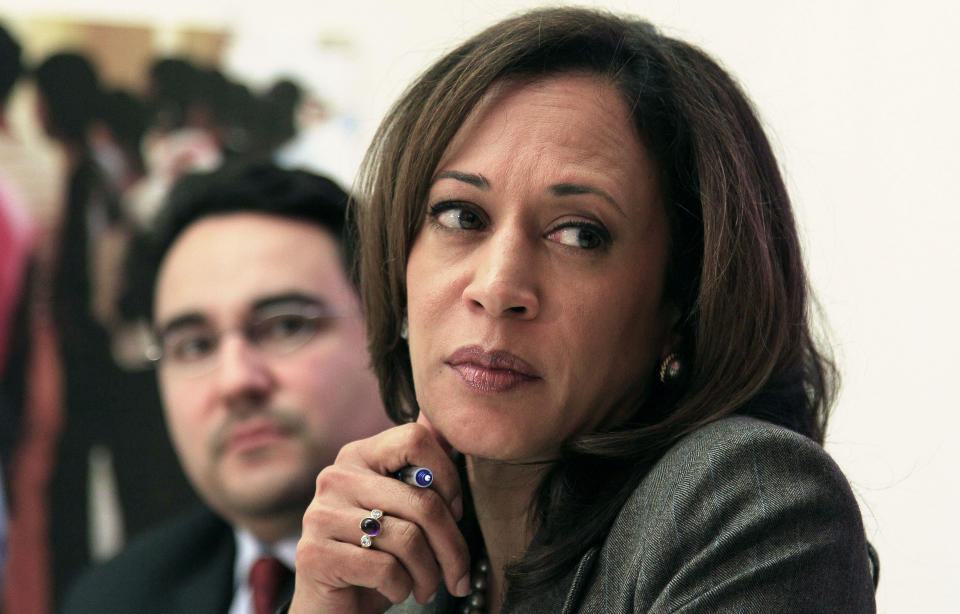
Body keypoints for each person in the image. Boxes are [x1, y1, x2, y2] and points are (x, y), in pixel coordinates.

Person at [288, 7, 878, 614]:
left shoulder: (744, 500)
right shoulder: (403, 576)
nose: (497, 287)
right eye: (462, 216)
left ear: (683, 302)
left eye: (578, 235)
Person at [59, 163, 394, 614]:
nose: (235, 381)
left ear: (388, 330)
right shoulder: (113, 598)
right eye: (194, 346)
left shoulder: (492, 568)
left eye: (286, 326)